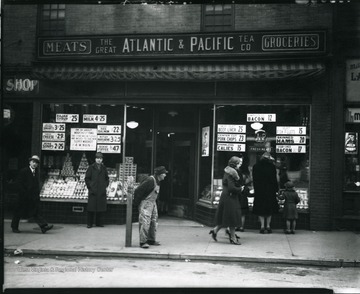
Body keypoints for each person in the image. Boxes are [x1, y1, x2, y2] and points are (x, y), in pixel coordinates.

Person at [11, 155, 53, 234]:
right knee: (18, 212)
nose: (35, 164)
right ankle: (14, 227)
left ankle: (43, 226)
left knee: (35, 212)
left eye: (36, 163)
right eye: (33, 162)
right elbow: (19, 183)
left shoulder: (35, 172)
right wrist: (23, 193)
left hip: (31, 197)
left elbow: (35, 185)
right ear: (30, 162)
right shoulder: (24, 171)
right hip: (23, 196)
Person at [209, 156, 244, 245]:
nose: (240, 165)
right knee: (232, 219)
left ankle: (215, 230)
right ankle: (233, 238)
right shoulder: (231, 174)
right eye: (238, 163)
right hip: (230, 198)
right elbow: (231, 188)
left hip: (226, 197)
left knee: (225, 217)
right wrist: (240, 189)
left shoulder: (228, 172)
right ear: (235, 164)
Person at [133, 166, 168, 249]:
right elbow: (138, 190)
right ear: (159, 174)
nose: (165, 175)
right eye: (164, 174)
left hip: (152, 202)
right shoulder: (150, 180)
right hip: (146, 202)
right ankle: (143, 241)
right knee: (145, 222)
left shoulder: (157, 181)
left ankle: (151, 239)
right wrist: (137, 203)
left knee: (154, 221)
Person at [252, 152, 279, 234]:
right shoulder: (272, 167)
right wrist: (276, 189)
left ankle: (262, 226)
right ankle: (268, 226)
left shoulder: (256, 166)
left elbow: (254, 179)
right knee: (269, 209)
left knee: (260, 209)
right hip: (270, 191)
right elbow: (274, 180)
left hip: (259, 191)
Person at [85, 152, 109, 228]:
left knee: (100, 208)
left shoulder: (104, 168)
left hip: (101, 190)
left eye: (100, 158)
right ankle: (89, 223)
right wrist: (90, 186)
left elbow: (107, 178)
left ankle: (99, 223)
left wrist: (105, 185)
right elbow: (87, 178)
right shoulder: (91, 167)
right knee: (91, 208)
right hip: (93, 190)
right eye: (98, 158)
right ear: (95, 159)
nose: (99, 160)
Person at [236, 164, 252, 232]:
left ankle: (237, 226)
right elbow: (249, 194)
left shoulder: (237, 186)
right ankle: (242, 227)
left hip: (238, 202)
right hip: (244, 203)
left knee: (237, 215)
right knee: (243, 215)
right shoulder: (246, 188)